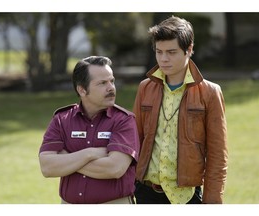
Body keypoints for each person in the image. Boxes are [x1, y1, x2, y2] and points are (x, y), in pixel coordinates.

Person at [132, 15, 228, 204]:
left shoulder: (210, 92)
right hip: (146, 192)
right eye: (159, 52)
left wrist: (212, 204)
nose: (164, 59)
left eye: (171, 52)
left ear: (189, 49)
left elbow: (218, 156)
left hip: (186, 196)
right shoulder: (145, 87)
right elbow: (134, 140)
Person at [39, 56, 140, 204]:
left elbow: (114, 168)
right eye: (102, 83)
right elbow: (47, 167)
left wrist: (68, 160)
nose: (111, 87)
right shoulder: (62, 119)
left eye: (112, 81)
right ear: (82, 90)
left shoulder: (124, 120)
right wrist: (89, 153)